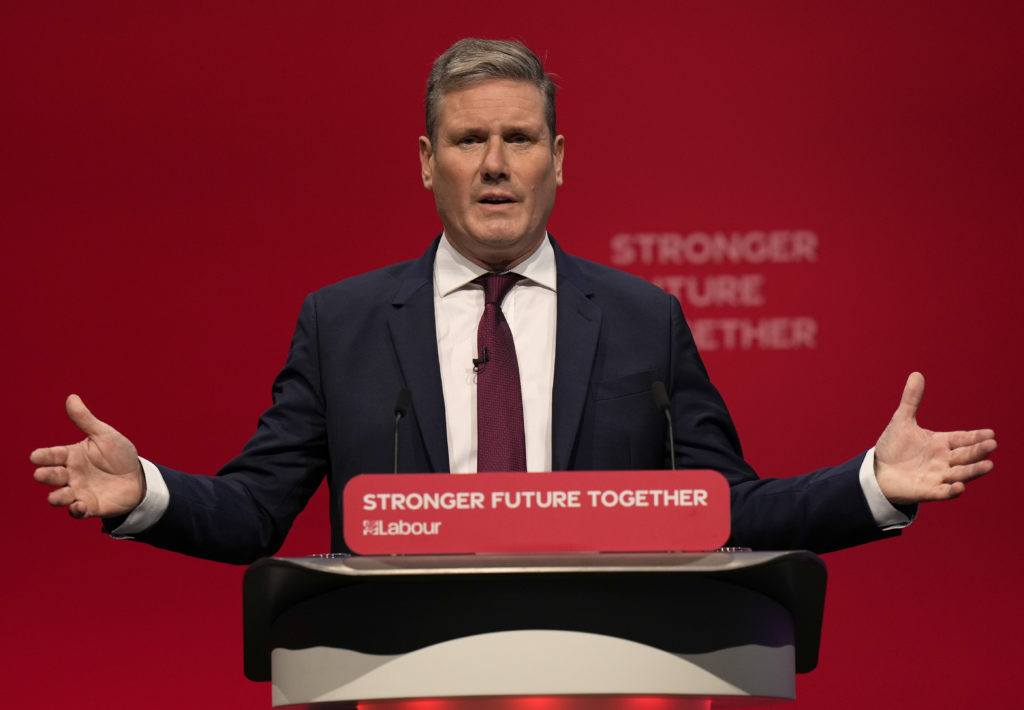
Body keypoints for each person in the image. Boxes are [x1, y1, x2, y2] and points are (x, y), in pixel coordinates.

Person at [30, 39, 996, 564]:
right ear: (426, 163)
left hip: (606, 676)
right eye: (468, 140)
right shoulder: (346, 322)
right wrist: (142, 491)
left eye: (522, 139)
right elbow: (253, 514)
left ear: (559, 160)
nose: (495, 165)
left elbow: (726, 508)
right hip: (406, 673)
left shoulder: (639, 318)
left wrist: (872, 482)